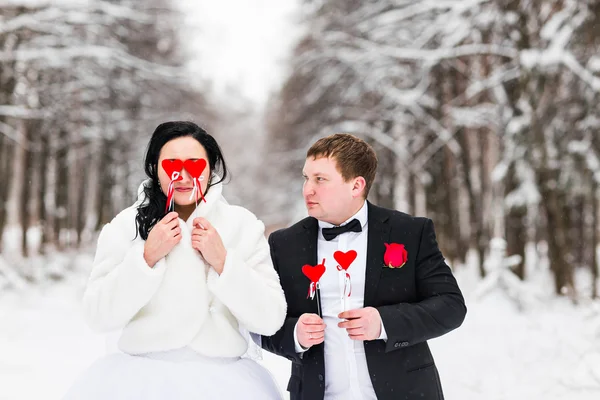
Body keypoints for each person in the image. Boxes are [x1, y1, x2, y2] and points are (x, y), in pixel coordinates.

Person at [63, 121, 286, 400]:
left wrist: (223, 262)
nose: (182, 176)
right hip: (139, 384)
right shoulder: (125, 227)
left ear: (211, 168)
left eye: (194, 164)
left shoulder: (242, 226)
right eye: (171, 165)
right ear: (156, 169)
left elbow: (270, 318)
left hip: (226, 385)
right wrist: (146, 258)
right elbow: (97, 315)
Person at [261, 133, 466, 400]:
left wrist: (384, 323)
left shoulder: (408, 232)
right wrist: (295, 335)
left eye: (320, 179)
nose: (307, 189)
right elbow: (263, 322)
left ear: (356, 185)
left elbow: (451, 306)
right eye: (306, 178)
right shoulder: (284, 244)